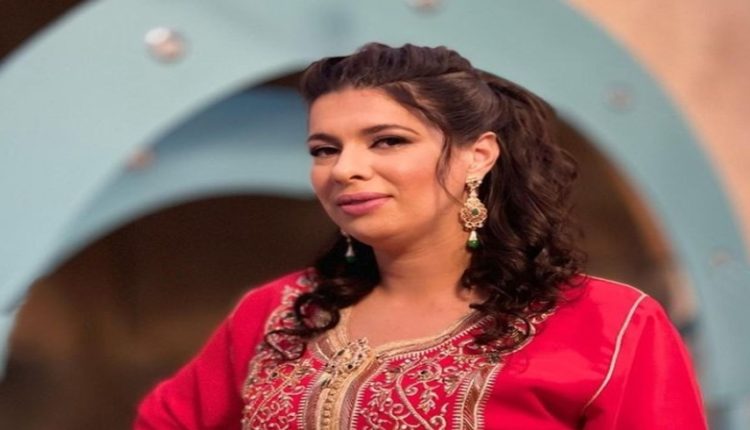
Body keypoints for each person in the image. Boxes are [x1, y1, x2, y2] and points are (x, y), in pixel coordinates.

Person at [135, 43, 707, 429]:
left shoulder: (608, 325)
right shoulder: (281, 314)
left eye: (387, 141)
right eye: (324, 150)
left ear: (477, 156)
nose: (344, 169)